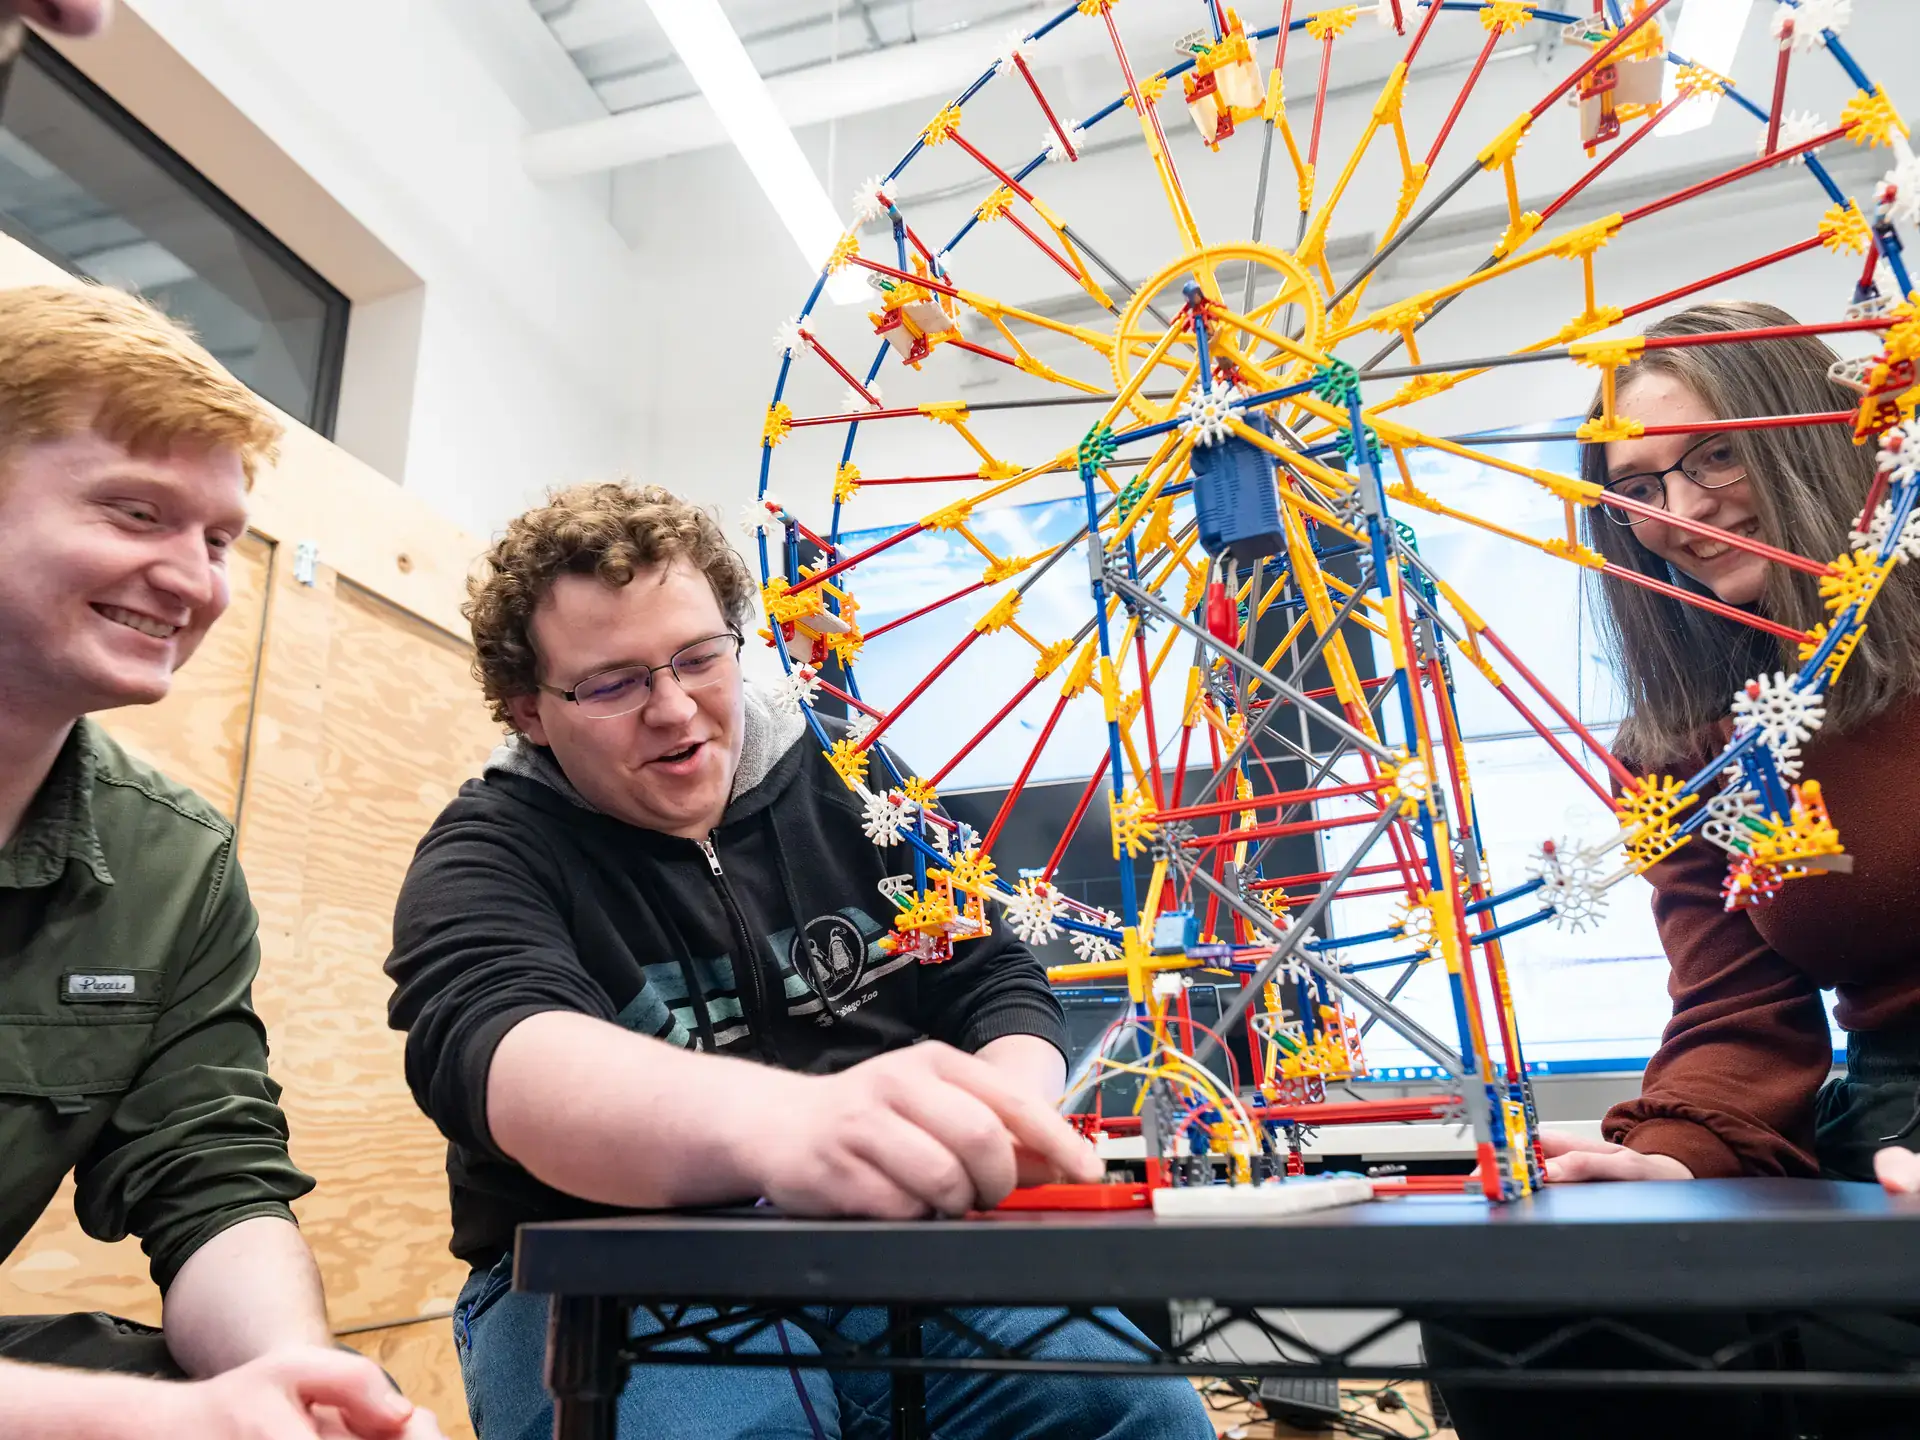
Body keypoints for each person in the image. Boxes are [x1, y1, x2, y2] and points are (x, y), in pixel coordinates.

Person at [385, 481, 1216, 1440]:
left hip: (887, 1245)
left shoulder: (856, 778)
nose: (674, 709)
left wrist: (999, 1117)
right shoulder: (488, 852)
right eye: (613, 684)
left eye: (699, 658)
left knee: (1133, 1410)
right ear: (530, 711)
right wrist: (787, 1125)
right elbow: (502, 1052)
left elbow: (993, 976)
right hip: (600, 1264)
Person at [1431, 300, 1920, 1439]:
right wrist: (1672, 1158)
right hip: (1887, 1121)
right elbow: (1737, 1009)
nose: (1683, 515)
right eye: (1638, 489)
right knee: (1530, 1320)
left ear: (1809, 437)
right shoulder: (1684, 747)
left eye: (1714, 457)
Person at [0, 285, 443, 1440]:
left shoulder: (169, 861)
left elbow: (208, 1174)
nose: (195, 581)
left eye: (216, 540)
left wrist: (300, 1387)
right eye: (135, 512)